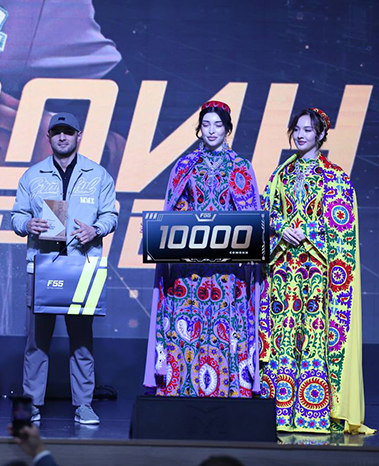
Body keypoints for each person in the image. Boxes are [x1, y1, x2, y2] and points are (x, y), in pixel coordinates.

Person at [260, 108, 374, 434]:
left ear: (321, 135)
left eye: (307, 130)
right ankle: (278, 412)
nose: (300, 135)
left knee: (313, 336)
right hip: (283, 270)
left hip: (316, 270)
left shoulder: (334, 176)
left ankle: (313, 414)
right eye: (296, 129)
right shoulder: (280, 174)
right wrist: (281, 228)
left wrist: (306, 231)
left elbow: (342, 225)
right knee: (282, 336)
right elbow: (265, 212)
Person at [143, 101, 262, 397]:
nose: (211, 131)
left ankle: (229, 391)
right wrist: (161, 233)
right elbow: (173, 211)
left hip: (226, 271)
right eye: (206, 124)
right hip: (189, 270)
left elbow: (250, 216)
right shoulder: (185, 166)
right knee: (186, 323)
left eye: (218, 125)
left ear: (228, 129)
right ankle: (181, 388)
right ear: (199, 128)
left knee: (227, 326)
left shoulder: (241, 167)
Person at [11, 112, 118, 425]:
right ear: (49, 137)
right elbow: (17, 215)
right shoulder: (33, 175)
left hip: (81, 266)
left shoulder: (98, 175)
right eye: (56, 132)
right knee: (36, 342)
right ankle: (31, 404)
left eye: (68, 132)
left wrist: (95, 229)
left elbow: (110, 215)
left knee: (82, 341)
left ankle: (84, 405)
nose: (62, 137)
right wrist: (27, 224)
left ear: (78, 136)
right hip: (42, 265)